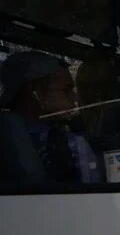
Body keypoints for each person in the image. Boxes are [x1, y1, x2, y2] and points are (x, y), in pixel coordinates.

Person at [0, 51, 101, 184]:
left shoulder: (8, 133)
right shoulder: (71, 144)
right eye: (65, 89)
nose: (74, 97)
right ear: (34, 91)